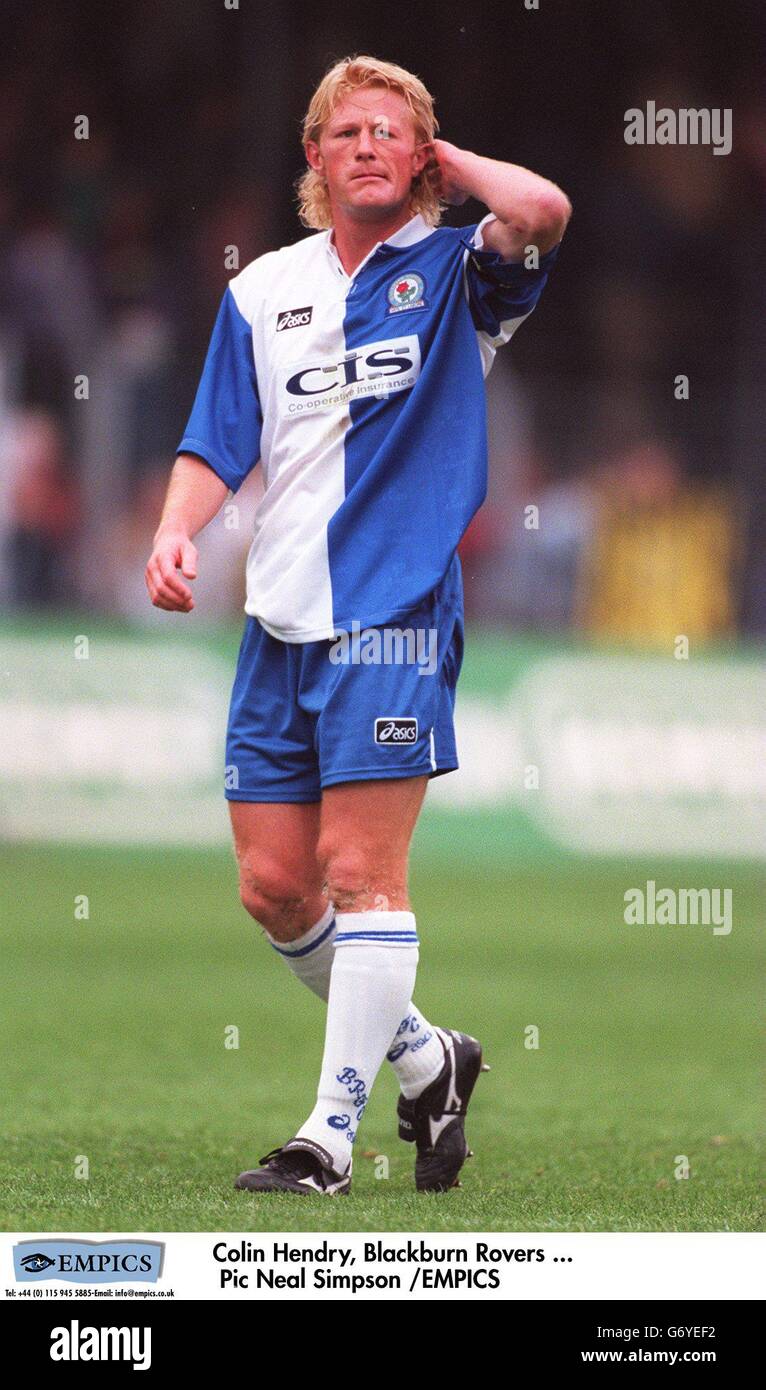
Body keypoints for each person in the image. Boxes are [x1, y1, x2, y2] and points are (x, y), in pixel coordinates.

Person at [145, 55, 570, 1196]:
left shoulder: (456, 270)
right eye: (349, 130)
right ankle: (430, 1058)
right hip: (276, 619)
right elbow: (213, 441)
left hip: (392, 613)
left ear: (424, 156)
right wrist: (176, 529)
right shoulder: (262, 290)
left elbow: (537, 209)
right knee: (275, 887)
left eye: (396, 131)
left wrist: (447, 164)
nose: (371, 144)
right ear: (314, 157)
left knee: (359, 870)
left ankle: (326, 1138)